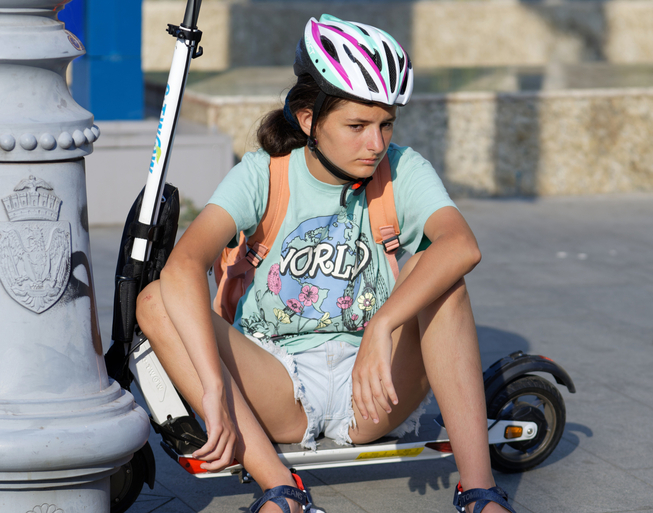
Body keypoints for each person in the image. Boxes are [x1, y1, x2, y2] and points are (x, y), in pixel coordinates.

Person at [136, 14, 514, 513]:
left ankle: (479, 491)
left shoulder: (401, 169)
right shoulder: (263, 175)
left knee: (444, 279)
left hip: (373, 387)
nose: (375, 144)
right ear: (309, 119)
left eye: (385, 125)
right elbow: (185, 263)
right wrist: (212, 388)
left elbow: (462, 245)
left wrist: (382, 325)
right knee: (155, 300)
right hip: (278, 384)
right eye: (356, 126)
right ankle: (281, 487)